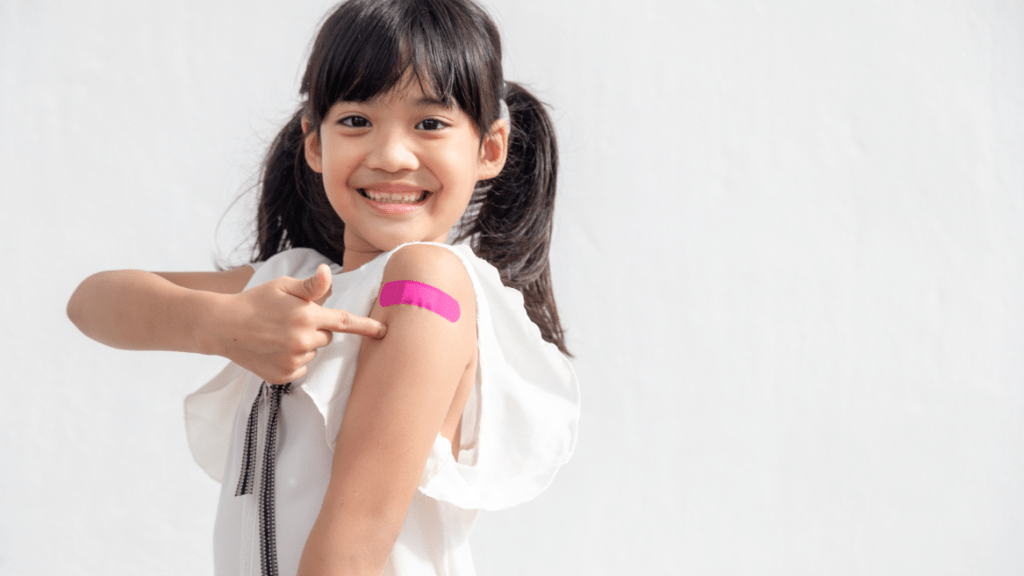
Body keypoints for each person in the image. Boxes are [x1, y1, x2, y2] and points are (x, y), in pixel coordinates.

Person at [66, 0, 579, 574]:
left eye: (430, 123)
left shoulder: (426, 280)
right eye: (356, 121)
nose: (390, 156)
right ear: (314, 142)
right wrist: (221, 324)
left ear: (490, 148)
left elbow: (355, 537)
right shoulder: (289, 282)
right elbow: (90, 301)